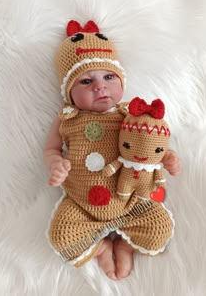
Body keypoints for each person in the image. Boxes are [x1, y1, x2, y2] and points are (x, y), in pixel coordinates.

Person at [44, 20, 181, 280]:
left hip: (132, 202)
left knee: (159, 228)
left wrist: (167, 157)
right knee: (62, 236)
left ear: (121, 80)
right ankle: (100, 247)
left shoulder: (130, 113)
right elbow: (51, 149)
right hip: (82, 205)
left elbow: (149, 147)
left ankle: (126, 245)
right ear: (68, 91)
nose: (100, 86)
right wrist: (55, 163)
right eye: (85, 80)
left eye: (109, 77)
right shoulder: (66, 118)